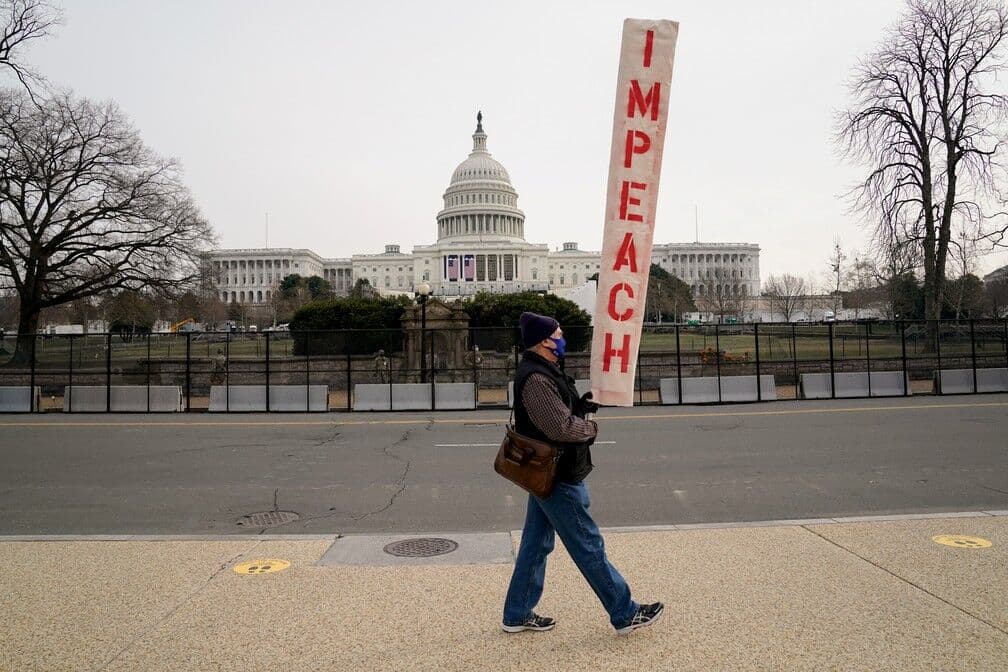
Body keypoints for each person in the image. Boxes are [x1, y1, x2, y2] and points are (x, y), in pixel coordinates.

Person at [501, 311, 663, 635]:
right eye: (558, 334)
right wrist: (589, 428)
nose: (562, 338)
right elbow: (558, 426)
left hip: (547, 474)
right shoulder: (535, 378)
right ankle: (624, 612)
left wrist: (581, 406)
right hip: (557, 475)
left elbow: (557, 413)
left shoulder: (545, 371)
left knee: (536, 544)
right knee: (588, 545)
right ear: (544, 341)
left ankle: (517, 613)